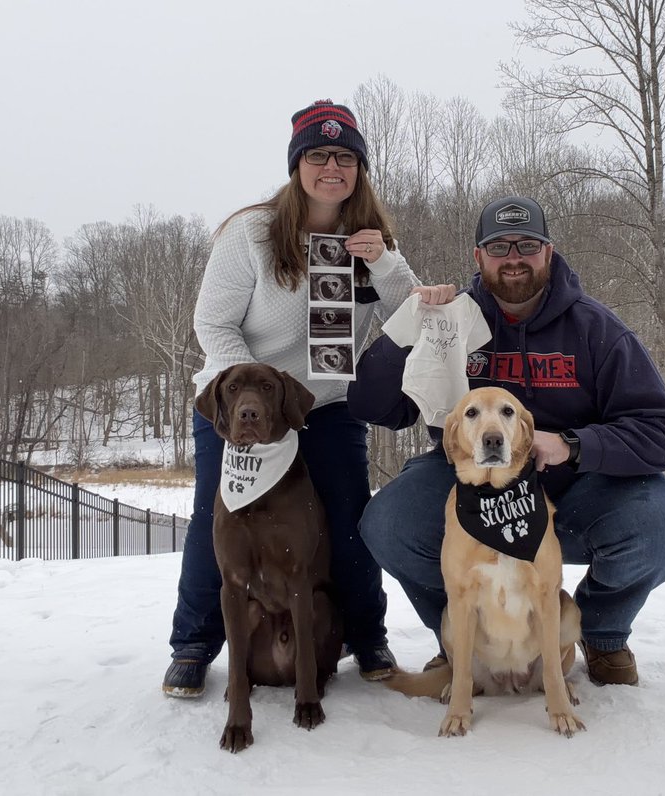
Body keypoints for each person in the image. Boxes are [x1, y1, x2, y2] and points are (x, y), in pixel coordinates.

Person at [349, 196, 665, 686]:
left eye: (527, 245)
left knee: (664, 525)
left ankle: (601, 633)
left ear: (548, 253)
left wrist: (573, 444)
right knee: (388, 522)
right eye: (498, 247)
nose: (513, 257)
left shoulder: (597, 330)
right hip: (476, 492)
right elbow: (373, 406)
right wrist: (407, 327)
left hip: (577, 493)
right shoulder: (453, 321)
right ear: (478, 257)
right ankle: (460, 640)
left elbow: (662, 433)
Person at [163, 100, 425, 697]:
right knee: (219, 521)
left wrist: (383, 260)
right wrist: (258, 401)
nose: (331, 167)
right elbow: (214, 325)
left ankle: (365, 635)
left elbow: (409, 314)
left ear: (359, 167)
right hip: (241, 408)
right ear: (296, 165)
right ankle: (194, 645)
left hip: (325, 409)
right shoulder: (251, 232)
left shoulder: (367, 242)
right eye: (317, 155)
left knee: (348, 520)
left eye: (345, 156)